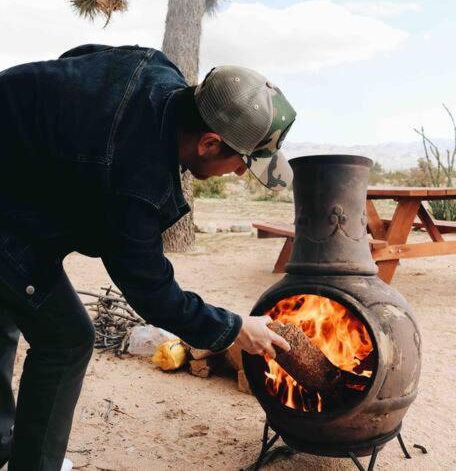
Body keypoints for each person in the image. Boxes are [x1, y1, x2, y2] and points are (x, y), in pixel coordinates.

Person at [0, 44, 296, 471]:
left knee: (6, 310)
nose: (237, 173)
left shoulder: (155, 69)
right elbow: (153, 293)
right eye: (240, 162)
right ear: (210, 142)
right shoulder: (134, 182)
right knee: (67, 340)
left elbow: (78, 56)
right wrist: (234, 328)